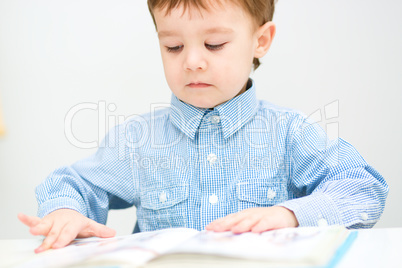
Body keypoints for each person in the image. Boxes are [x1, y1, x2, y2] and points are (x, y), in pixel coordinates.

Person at [18, 0, 388, 254]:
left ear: (260, 41)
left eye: (214, 44)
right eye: (174, 47)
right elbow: (74, 183)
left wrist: (291, 214)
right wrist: (65, 212)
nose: (192, 61)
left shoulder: (289, 133)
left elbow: (363, 188)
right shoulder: (138, 143)